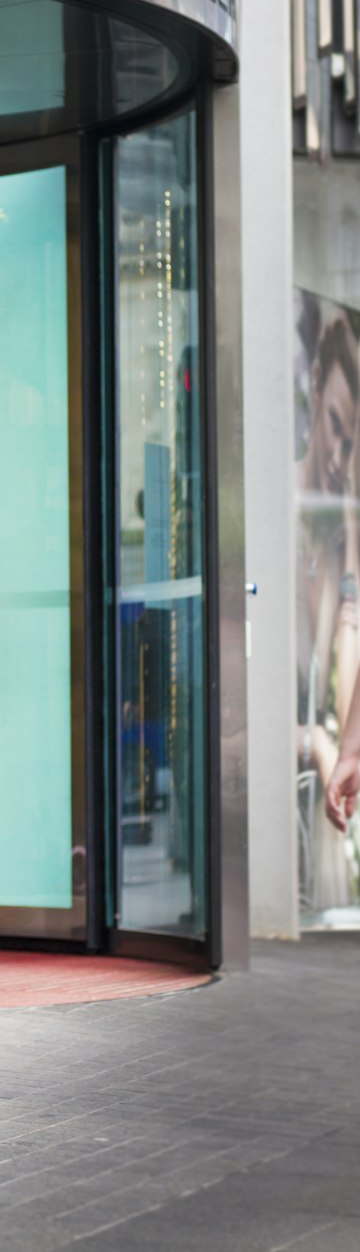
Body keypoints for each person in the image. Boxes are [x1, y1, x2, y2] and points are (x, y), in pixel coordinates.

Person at [296, 313, 360, 906]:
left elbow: (343, 697)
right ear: (315, 385)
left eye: (352, 440)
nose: (340, 457)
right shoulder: (279, 520)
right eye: (336, 426)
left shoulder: (345, 538)